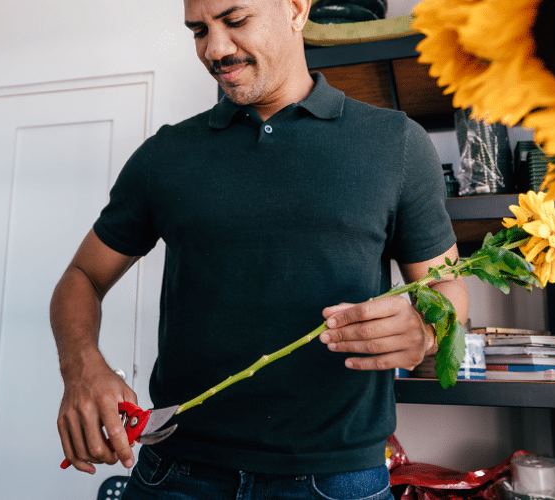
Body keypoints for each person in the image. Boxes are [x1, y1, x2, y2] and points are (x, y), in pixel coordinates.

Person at [51, 0, 469, 498]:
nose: (215, 49)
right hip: (175, 474)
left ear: (296, 9)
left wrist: (425, 330)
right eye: (199, 30)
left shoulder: (396, 142)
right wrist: (81, 366)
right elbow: (82, 276)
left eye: (235, 20)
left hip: (337, 481)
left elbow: (447, 288)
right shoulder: (164, 156)